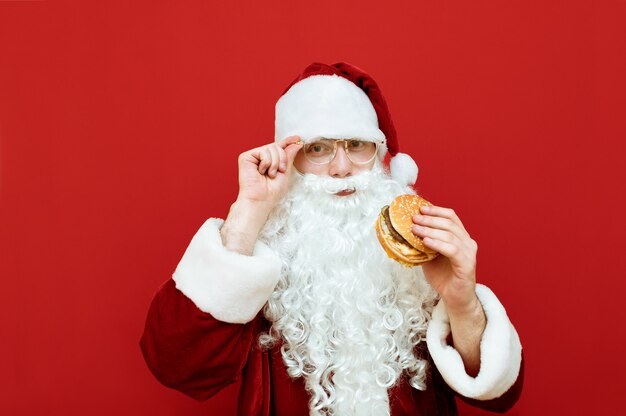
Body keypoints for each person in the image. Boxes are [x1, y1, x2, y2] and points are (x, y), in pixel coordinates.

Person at [140, 62, 524, 416]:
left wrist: (462, 302)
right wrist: (246, 213)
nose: (341, 169)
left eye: (357, 145)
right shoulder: (252, 259)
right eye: (318, 149)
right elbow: (174, 364)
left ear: (379, 155)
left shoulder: (421, 257)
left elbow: (499, 395)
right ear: (290, 161)